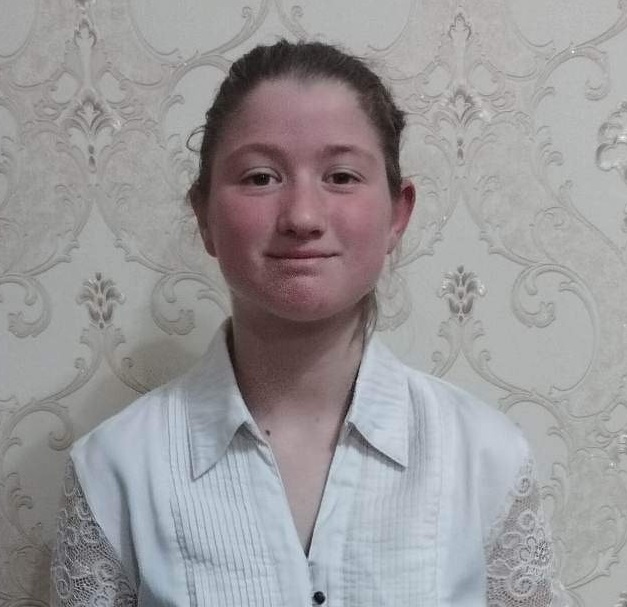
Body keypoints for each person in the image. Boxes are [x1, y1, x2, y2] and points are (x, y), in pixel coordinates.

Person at [50, 39, 570, 606]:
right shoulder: (115, 469)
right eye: (260, 177)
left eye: (341, 176)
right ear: (203, 215)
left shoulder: (486, 457)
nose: (301, 216)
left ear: (398, 214)